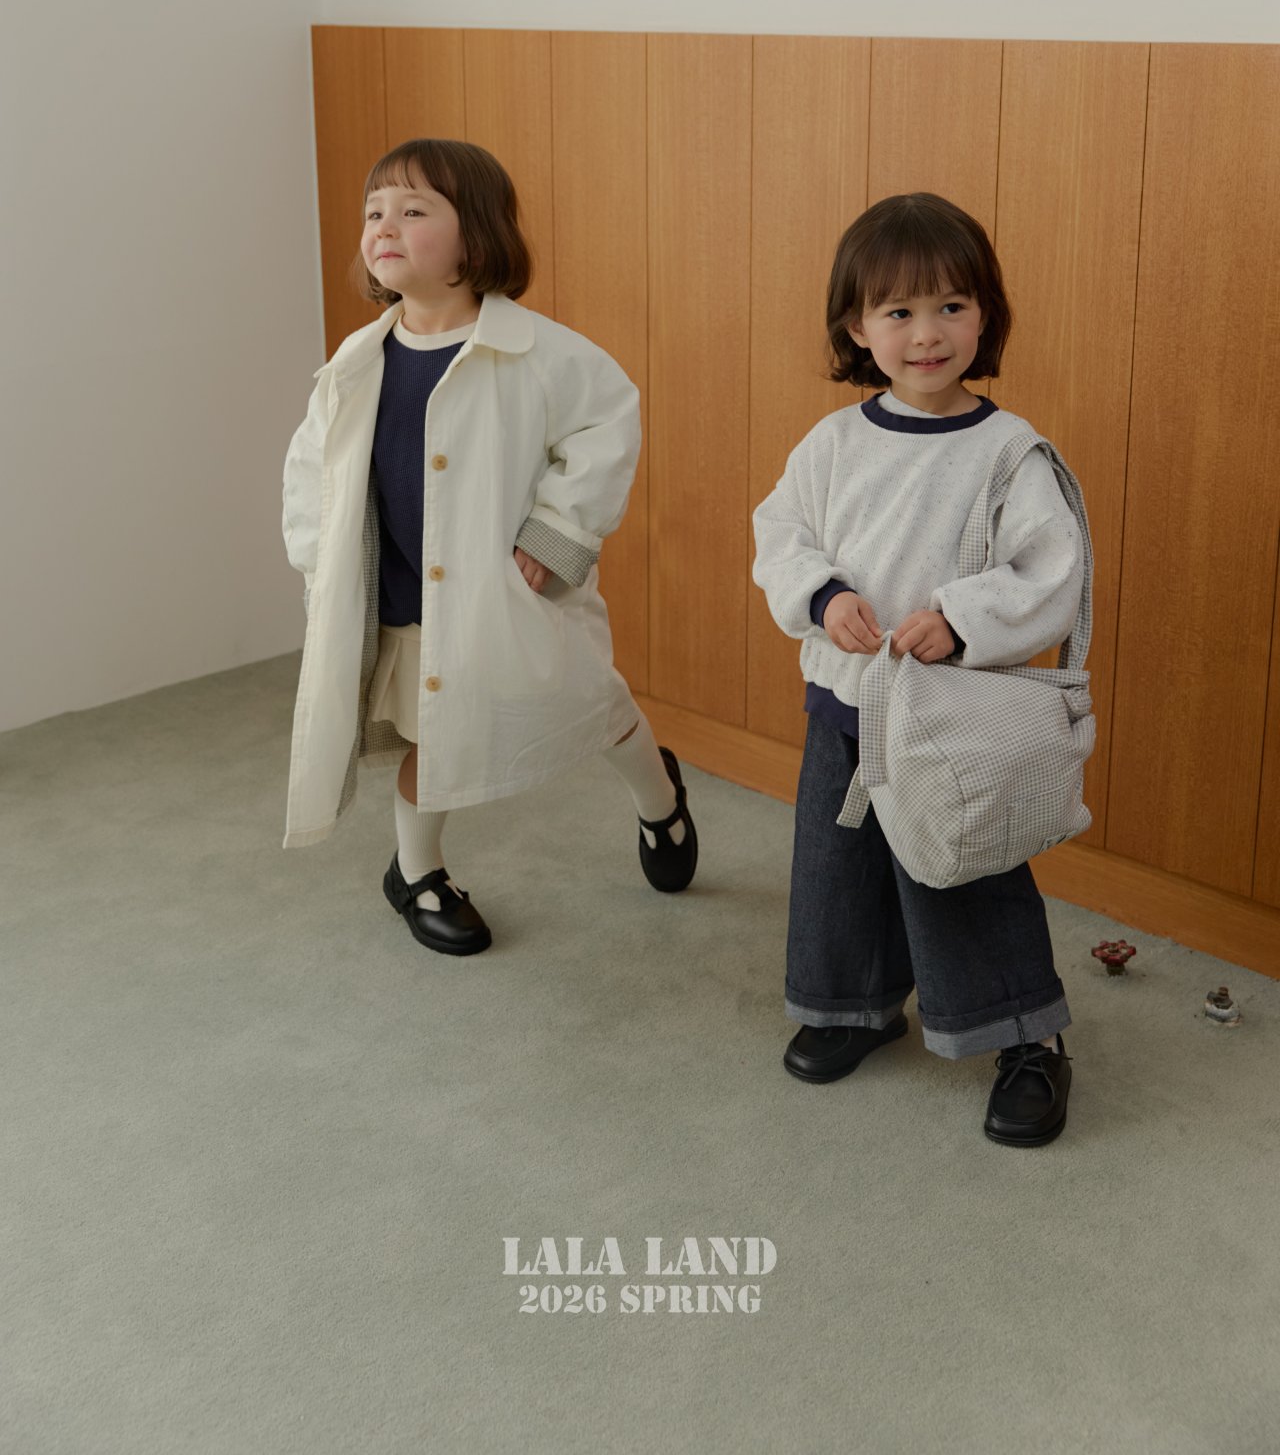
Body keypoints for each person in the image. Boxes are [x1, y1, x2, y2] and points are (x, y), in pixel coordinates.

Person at [281, 139, 696, 953]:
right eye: (373, 212)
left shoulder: (541, 352)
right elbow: (309, 471)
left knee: (595, 704)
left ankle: (661, 803)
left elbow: (605, 426)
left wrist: (557, 535)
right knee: (431, 735)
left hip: (511, 590)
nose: (384, 226)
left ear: (474, 237)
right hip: (407, 597)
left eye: (413, 210)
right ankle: (418, 872)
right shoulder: (356, 363)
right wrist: (318, 563)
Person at [751, 191, 1087, 1146]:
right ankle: (853, 1004)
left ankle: (1027, 1037)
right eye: (898, 311)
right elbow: (780, 534)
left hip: (952, 717)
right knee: (839, 862)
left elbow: (1049, 573)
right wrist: (823, 596)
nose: (927, 333)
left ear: (985, 316)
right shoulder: (833, 444)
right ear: (857, 327)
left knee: (963, 867)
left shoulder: (1008, 454)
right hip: (847, 700)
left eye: (950, 306)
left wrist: (961, 620)